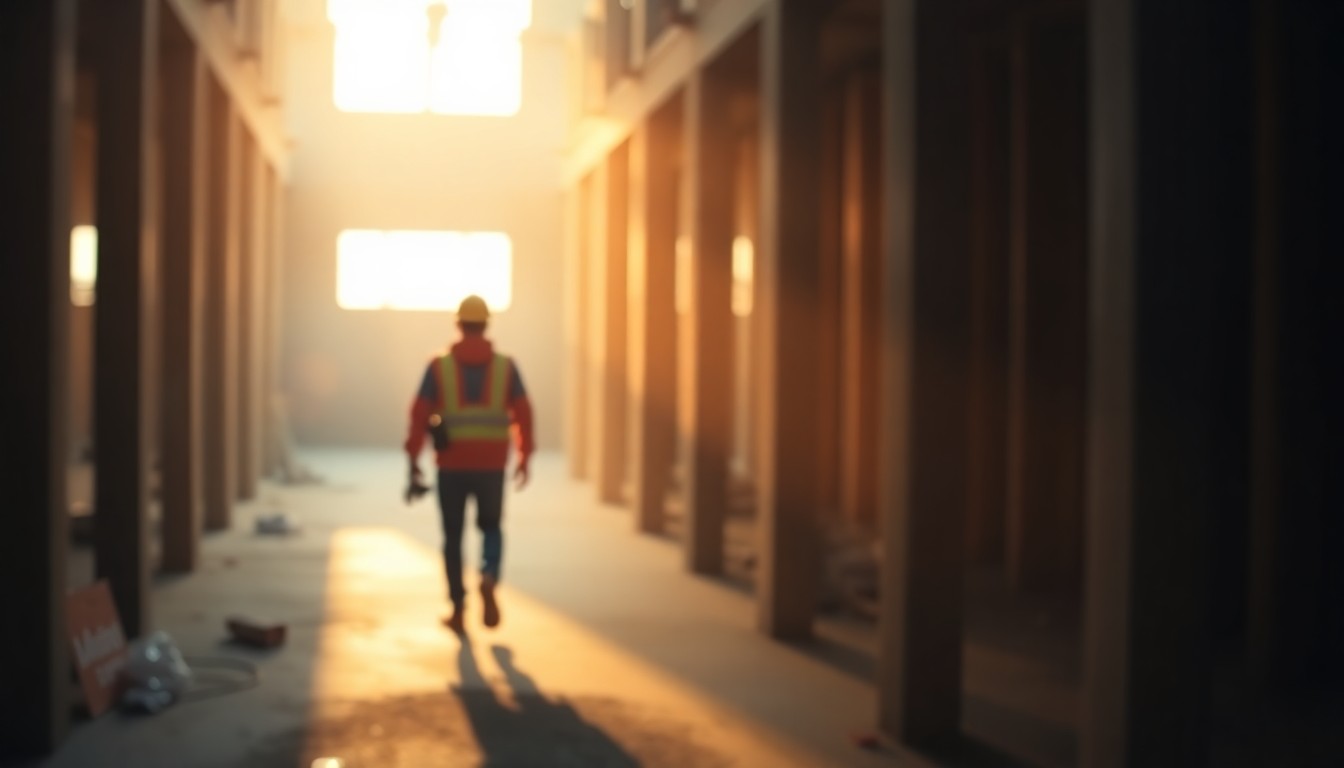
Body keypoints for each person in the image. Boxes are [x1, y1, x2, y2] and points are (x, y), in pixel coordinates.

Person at [404, 295, 533, 633]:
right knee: (491, 527)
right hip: (491, 465)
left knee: (453, 537)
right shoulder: (506, 367)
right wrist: (525, 457)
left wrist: (413, 458)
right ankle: (489, 574)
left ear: (458, 324)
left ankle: (458, 610)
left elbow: (418, 414)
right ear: (486, 325)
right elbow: (524, 413)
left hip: (451, 466)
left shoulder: (439, 367)